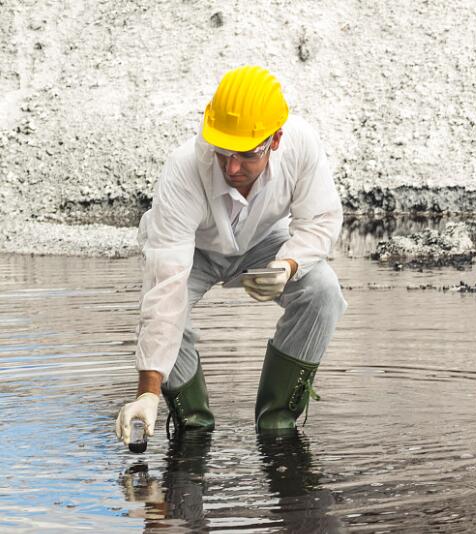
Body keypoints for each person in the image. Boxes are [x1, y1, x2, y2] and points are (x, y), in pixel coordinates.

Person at [115, 65, 346, 445]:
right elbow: (166, 285)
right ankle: (192, 424)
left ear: (276, 140)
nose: (232, 167)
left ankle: (277, 423)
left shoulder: (301, 146)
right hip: (195, 251)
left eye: (245, 155)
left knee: (321, 290)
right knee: (170, 311)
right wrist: (146, 393)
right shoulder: (184, 169)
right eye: (223, 153)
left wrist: (288, 265)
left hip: (262, 242)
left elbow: (320, 219)